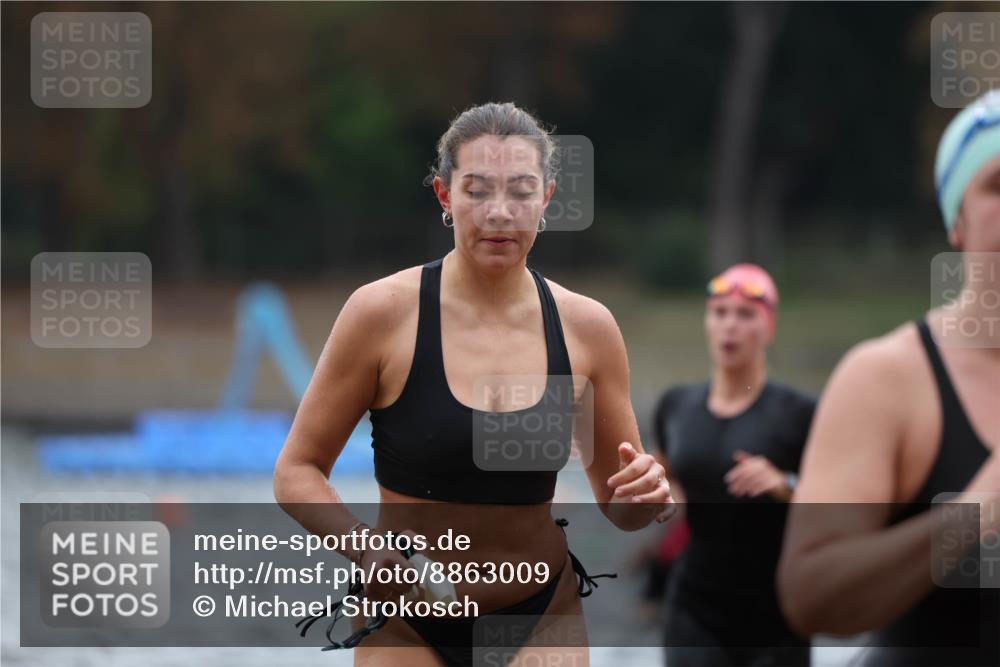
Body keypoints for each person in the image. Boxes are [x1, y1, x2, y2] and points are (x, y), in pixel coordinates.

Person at [273, 101, 675, 667]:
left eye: (520, 192)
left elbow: (620, 506)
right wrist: (365, 549)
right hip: (408, 621)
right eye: (478, 190)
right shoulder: (382, 314)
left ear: (547, 201)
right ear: (444, 196)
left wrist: (646, 493)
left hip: (541, 613)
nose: (499, 213)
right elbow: (296, 471)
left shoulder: (587, 329)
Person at [777, 90, 1000, 666]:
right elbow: (812, 597)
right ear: (958, 220)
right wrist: (975, 513)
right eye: (998, 185)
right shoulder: (890, 379)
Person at [652, 263, 815, 666]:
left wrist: (786, 483)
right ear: (707, 321)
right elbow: (665, 477)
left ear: (769, 327)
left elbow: (841, 503)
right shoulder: (676, 406)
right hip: (694, 606)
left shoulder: (800, 412)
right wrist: (655, 493)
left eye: (745, 315)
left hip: (777, 612)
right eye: (720, 312)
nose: (730, 326)